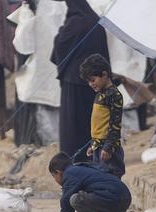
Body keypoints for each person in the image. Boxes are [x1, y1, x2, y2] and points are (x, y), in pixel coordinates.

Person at [51, 0, 110, 159]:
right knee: (92, 125)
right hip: (94, 83)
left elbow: (60, 45)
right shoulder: (95, 20)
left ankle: (75, 161)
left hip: (74, 83)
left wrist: (61, 32)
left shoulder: (74, 23)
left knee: (73, 129)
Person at [48, 152, 136, 212]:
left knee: (75, 199)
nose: (55, 180)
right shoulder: (81, 169)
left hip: (112, 197)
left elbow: (66, 200)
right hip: (123, 197)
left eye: (53, 176)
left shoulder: (69, 174)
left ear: (58, 172)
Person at [80, 54, 125, 177]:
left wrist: (108, 147)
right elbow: (99, 125)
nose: (90, 84)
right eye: (88, 81)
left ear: (104, 74)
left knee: (110, 178)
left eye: (93, 80)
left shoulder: (114, 95)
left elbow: (115, 124)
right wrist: (93, 145)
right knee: (99, 178)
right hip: (98, 147)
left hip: (109, 149)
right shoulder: (100, 94)